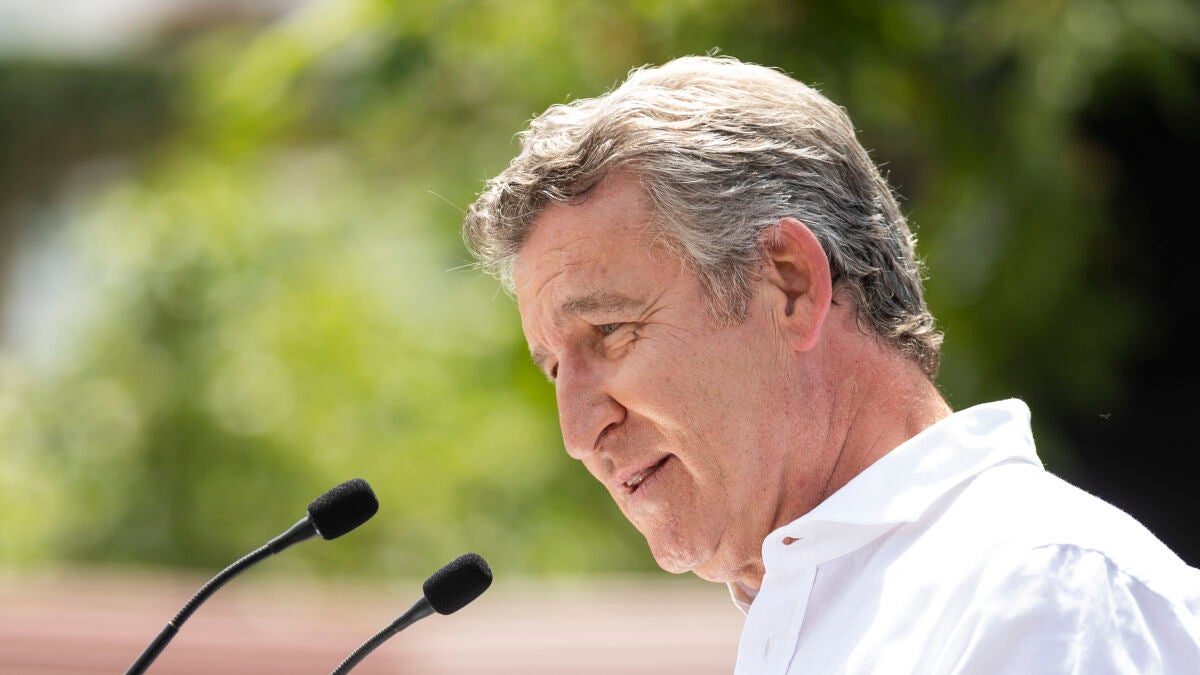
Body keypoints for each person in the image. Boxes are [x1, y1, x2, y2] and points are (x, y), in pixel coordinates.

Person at [461, 55, 1200, 673]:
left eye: (611, 331)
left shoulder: (1042, 590)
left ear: (790, 283)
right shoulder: (819, 610)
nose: (578, 431)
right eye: (554, 369)